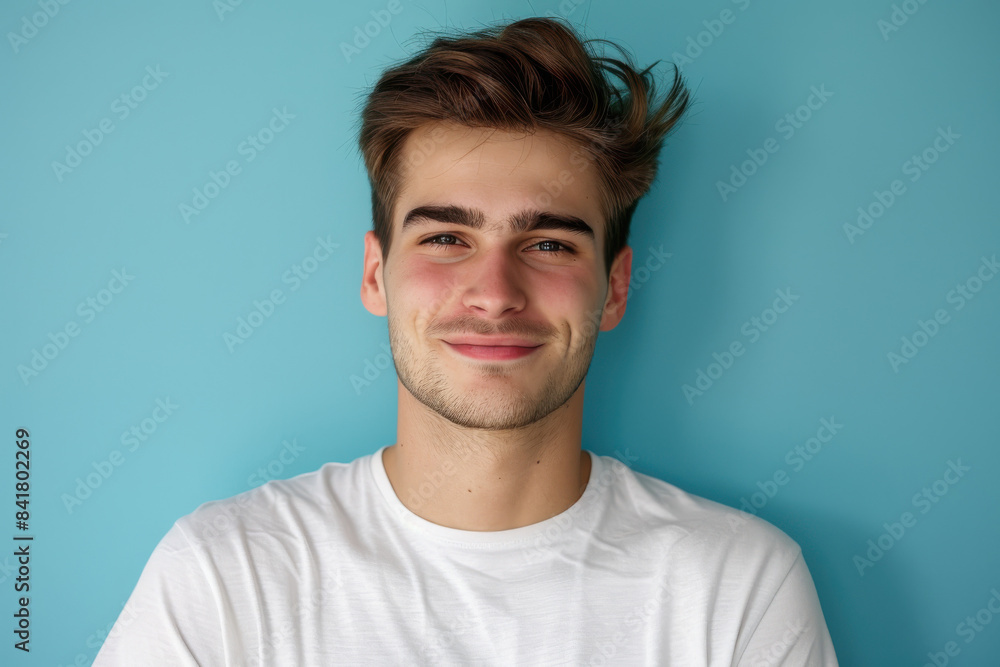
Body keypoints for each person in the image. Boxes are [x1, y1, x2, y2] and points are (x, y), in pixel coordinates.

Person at [96, 16, 838, 665]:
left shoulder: (736, 586)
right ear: (376, 275)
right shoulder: (228, 574)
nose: (494, 291)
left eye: (549, 244)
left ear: (613, 287)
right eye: (447, 237)